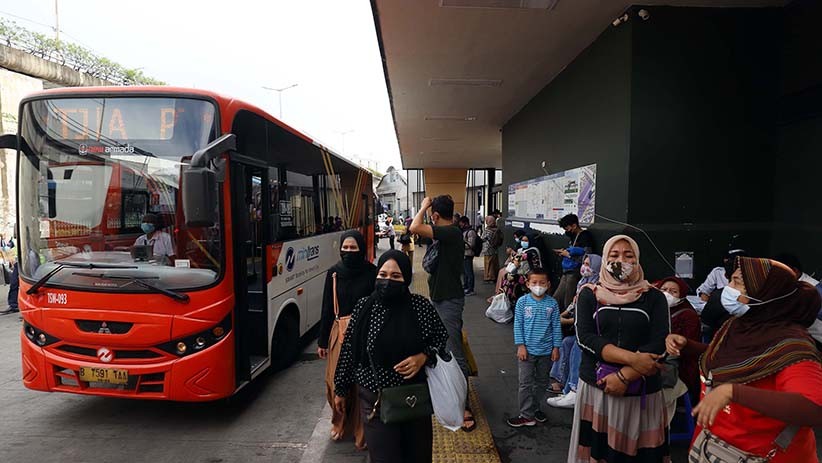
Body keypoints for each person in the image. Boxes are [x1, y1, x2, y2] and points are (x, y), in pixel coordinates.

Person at [666, 257, 822, 463]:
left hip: (764, 455)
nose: (727, 289)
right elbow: (737, 361)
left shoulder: (792, 346)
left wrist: (734, 392)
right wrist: (688, 346)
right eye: (730, 280)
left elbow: (814, 408)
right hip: (716, 449)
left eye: (737, 283)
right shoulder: (739, 325)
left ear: (766, 293)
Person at [333, 250, 448, 463]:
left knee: (418, 456)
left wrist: (423, 356)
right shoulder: (364, 307)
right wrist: (340, 389)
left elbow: (441, 338)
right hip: (374, 400)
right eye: (383, 275)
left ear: (406, 278)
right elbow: (350, 350)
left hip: (414, 400)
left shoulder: (420, 307)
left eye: (395, 276)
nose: (387, 281)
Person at [568, 235, 670, 463]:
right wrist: (633, 360)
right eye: (614, 255)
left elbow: (660, 343)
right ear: (604, 259)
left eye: (628, 255)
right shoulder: (589, 293)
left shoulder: (653, 296)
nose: (620, 260)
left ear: (637, 259)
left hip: (641, 392)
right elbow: (585, 338)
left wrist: (625, 376)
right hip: (598, 389)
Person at [409, 195, 476, 431]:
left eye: (431, 214)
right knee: (443, 347)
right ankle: (449, 394)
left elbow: (414, 227)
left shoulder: (451, 232)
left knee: (455, 351)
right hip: (442, 297)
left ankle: (464, 406)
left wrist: (424, 206)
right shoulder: (448, 234)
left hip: (449, 301)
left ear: (435, 215)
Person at [318, 230, 376, 449]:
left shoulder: (372, 272)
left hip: (365, 334)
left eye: (353, 248)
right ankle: (340, 423)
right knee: (335, 383)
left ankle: (362, 431)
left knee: (362, 386)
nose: (349, 252)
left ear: (361, 249)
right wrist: (322, 341)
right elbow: (326, 308)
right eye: (346, 248)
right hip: (338, 333)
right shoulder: (333, 274)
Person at [507, 268, 561, 427]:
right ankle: (525, 415)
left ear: (548, 284)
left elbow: (556, 326)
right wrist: (521, 346)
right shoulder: (522, 302)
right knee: (525, 382)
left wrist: (556, 347)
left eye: (542, 283)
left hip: (546, 352)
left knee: (542, 382)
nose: (538, 286)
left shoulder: (552, 303)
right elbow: (518, 325)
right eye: (534, 283)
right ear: (528, 284)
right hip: (527, 352)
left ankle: (534, 408)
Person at [547, 254, 602, 406]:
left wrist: (566, 321)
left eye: (588, 264)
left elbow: (590, 317)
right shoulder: (583, 283)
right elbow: (573, 306)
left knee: (577, 346)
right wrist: (559, 316)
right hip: (579, 327)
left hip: (594, 333)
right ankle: (561, 382)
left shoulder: (599, 288)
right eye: (584, 263)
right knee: (566, 342)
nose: (584, 267)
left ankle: (574, 390)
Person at [655, 276, 701, 410]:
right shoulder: (656, 310)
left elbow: (688, 348)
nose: (667, 293)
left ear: (682, 295)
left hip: (680, 366)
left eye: (673, 291)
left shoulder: (688, 315)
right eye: (664, 289)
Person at [553, 214, 595, 310]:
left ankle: (568, 321)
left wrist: (568, 255)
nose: (566, 231)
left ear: (574, 225)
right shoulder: (573, 237)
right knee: (557, 297)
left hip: (575, 272)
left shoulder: (585, 237)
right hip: (567, 271)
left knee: (568, 299)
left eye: (567, 228)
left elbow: (587, 257)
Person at [500, 231, 543, 306]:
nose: (523, 242)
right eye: (522, 240)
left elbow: (520, 257)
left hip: (533, 274)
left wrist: (513, 257)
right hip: (525, 273)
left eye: (526, 241)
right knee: (508, 277)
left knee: (512, 279)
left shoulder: (533, 251)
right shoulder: (523, 250)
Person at [458, 216, 478, 296]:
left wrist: (461, 244)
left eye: (461, 223)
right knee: (465, 272)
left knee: (469, 272)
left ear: (465, 223)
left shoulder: (470, 232)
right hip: (464, 254)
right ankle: (466, 286)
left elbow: (471, 244)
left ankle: (470, 289)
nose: (460, 225)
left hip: (468, 254)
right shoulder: (465, 231)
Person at [480, 215, 502, 285]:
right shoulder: (497, 229)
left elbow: (483, 238)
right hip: (495, 249)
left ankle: (489, 277)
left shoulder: (488, 230)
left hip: (488, 249)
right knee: (494, 263)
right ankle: (494, 276)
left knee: (488, 264)